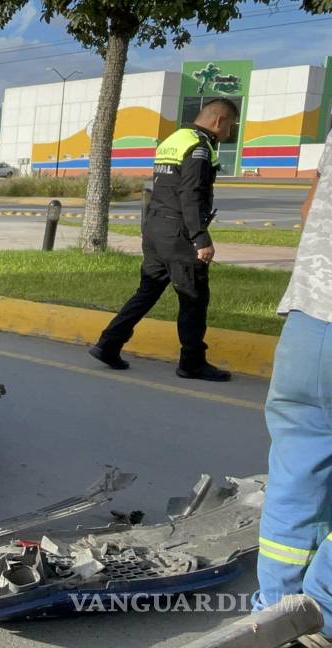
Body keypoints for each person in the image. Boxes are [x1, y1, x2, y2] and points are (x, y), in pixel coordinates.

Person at [89, 98, 241, 381]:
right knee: (193, 297)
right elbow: (191, 194)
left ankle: (109, 343)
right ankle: (192, 363)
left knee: (147, 291)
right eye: (231, 126)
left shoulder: (174, 139)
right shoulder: (199, 146)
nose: (229, 133)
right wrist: (200, 239)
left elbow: (164, 188)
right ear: (219, 121)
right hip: (179, 234)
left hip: (156, 229)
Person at [255, 127, 332, 641]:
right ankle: (322, 618)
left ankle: (274, 612)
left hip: (311, 318)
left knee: (297, 471)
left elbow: (311, 213)